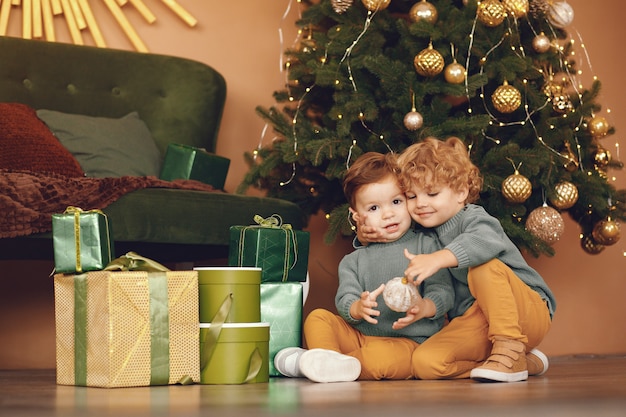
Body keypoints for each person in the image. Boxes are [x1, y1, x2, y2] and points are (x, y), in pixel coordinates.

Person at [357, 137, 556, 383]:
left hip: (524, 311)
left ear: (461, 192)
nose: (421, 204)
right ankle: (522, 362)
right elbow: (396, 240)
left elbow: (483, 242)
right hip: (476, 320)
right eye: (411, 196)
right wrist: (366, 235)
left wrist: (439, 259)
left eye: (432, 193)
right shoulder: (424, 233)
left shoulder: (474, 219)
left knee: (483, 267)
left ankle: (510, 347)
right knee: (425, 364)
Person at [274, 152, 454, 383]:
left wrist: (425, 306)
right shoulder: (353, 261)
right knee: (318, 317)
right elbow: (345, 298)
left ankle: (325, 363)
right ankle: (330, 360)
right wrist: (357, 308)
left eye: (396, 202)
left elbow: (443, 291)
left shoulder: (426, 245)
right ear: (357, 216)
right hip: (360, 336)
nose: (388, 213)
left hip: (409, 343)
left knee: (379, 360)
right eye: (373, 208)